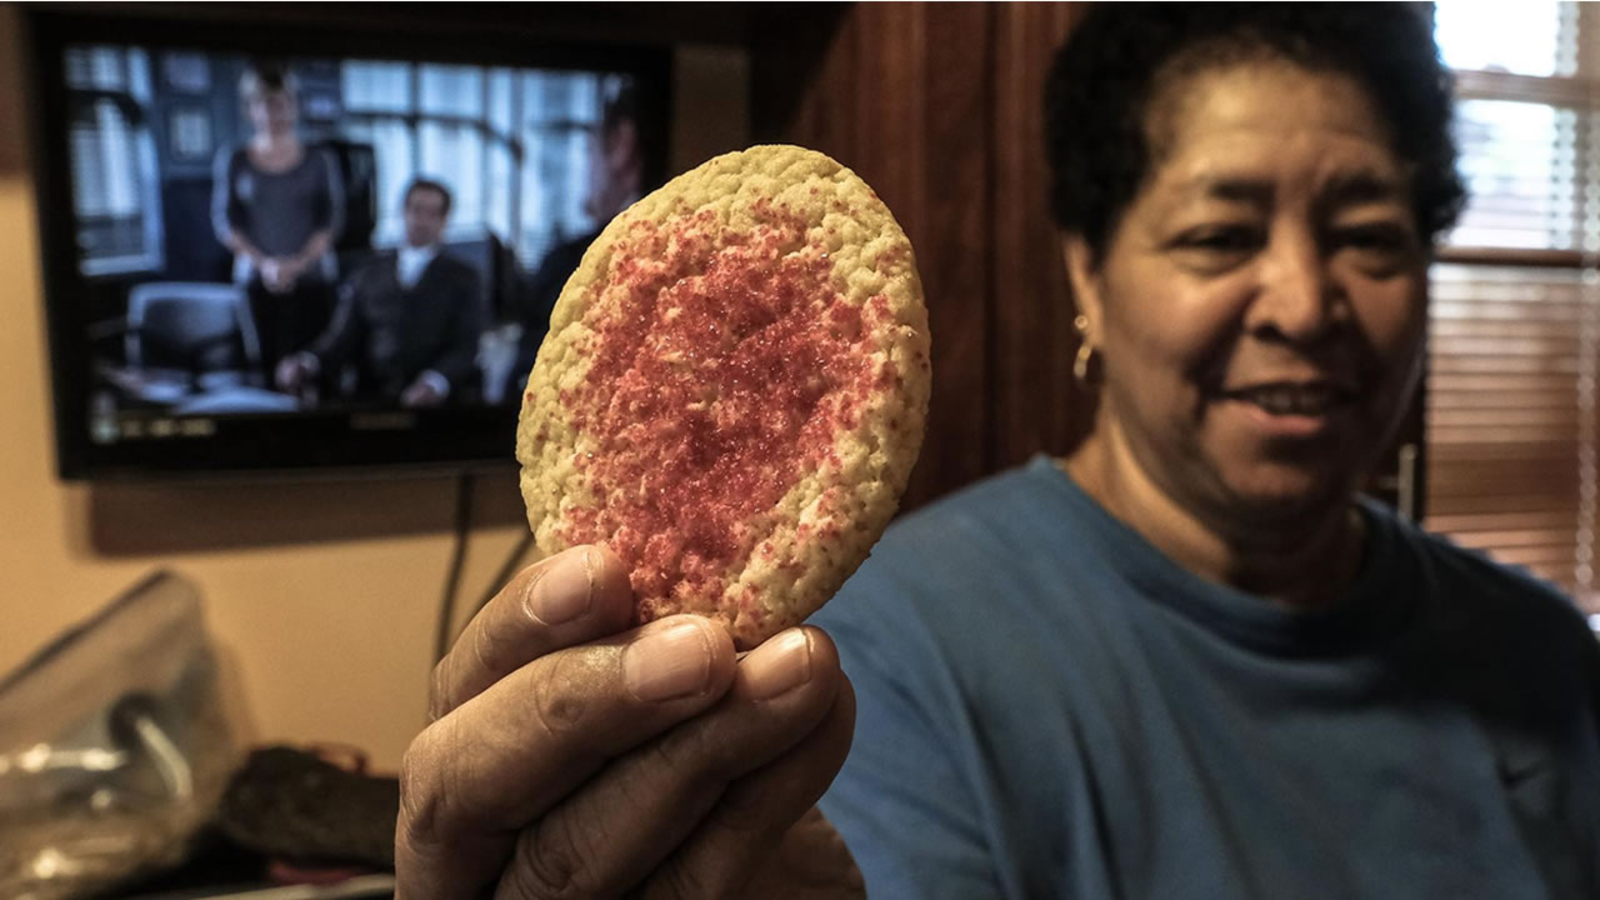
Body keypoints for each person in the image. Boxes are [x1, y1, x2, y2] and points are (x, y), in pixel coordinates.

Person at [394, 6, 1600, 899]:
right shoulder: (866, 667)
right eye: (1219, 233)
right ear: (1088, 269)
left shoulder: (1545, 661)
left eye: (1372, 238)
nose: (1303, 300)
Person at [277, 178, 486, 408]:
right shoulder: (368, 273)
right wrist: (307, 362)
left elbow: (466, 345)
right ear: (404, 212)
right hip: (371, 398)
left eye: (432, 213)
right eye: (416, 210)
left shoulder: (464, 278)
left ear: (444, 220)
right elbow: (341, 337)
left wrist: (434, 382)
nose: (422, 221)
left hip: (439, 406)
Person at [506, 84, 645, 396]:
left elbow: (525, 393)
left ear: (622, 145)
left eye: (588, 150)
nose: (585, 168)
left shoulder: (571, 267)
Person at [212, 62, 345, 382]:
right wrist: (266, 266)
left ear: (293, 107)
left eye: (281, 104)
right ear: (250, 110)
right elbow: (226, 221)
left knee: (315, 366)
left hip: (313, 279)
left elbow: (331, 220)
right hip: (256, 281)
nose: (274, 114)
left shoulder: (319, 160)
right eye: (264, 105)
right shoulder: (235, 159)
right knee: (263, 369)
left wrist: (297, 264)